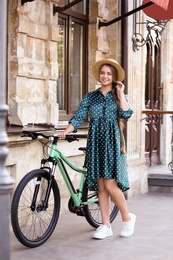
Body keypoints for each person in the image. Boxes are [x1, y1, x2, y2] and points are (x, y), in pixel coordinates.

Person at [58, 58, 136, 239]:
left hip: (111, 142)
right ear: (99, 75)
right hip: (95, 142)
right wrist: (65, 131)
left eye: (109, 73)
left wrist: (121, 92)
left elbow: (126, 114)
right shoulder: (90, 96)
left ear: (114, 76)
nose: (105, 76)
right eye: (103, 73)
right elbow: (78, 117)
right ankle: (106, 224)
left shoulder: (118, 96)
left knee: (110, 184)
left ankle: (127, 218)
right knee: (101, 186)